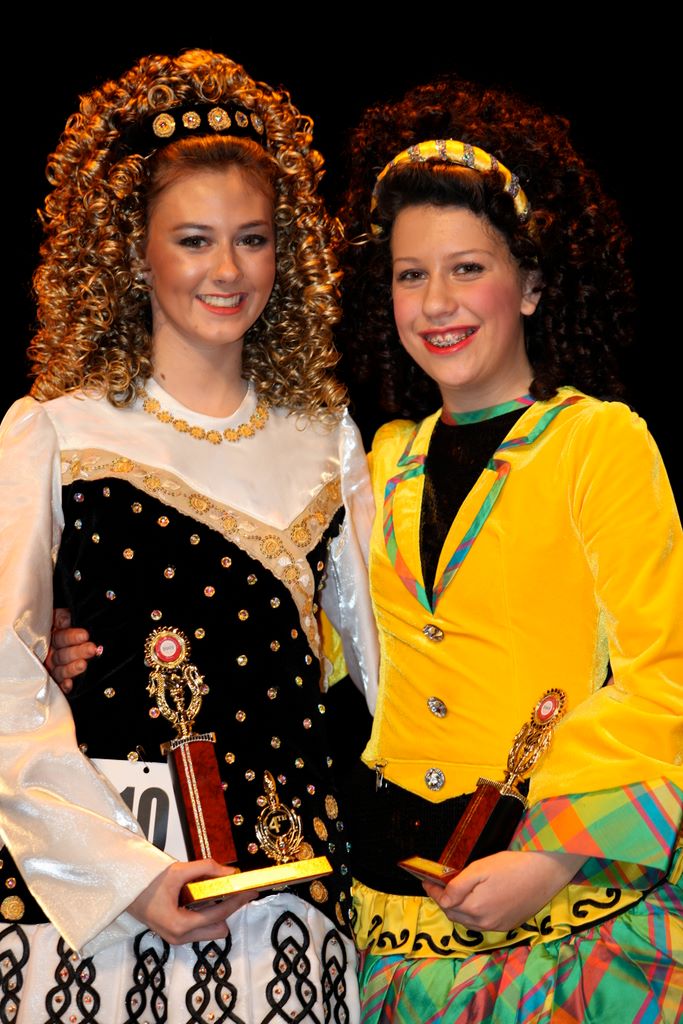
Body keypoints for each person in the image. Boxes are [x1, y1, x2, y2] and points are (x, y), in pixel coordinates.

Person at [0, 48, 373, 1024]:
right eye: (194, 239)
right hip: (96, 924)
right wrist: (125, 876)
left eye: (252, 239)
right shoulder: (57, 431)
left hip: (290, 913)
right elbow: (5, 682)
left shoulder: (328, 440)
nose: (226, 270)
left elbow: (384, 676)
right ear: (134, 250)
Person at [332, 77, 683, 1021]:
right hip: (398, 919)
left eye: (466, 268)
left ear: (529, 285)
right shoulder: (378, 461)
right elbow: (325, 651)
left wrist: (553, 855)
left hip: (572, 920)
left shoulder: (598, 442)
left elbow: (662, 671)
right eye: (410, 274)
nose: (436, 302)